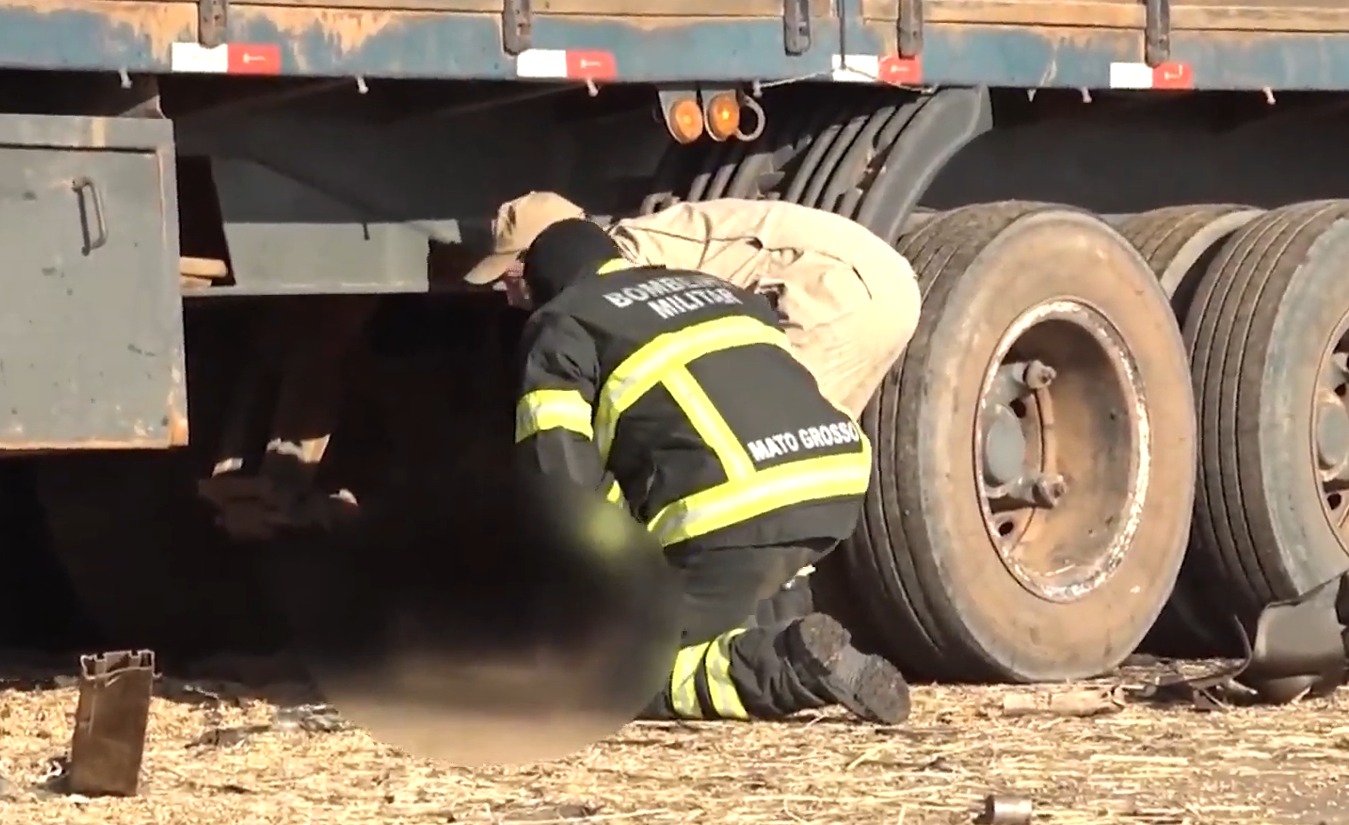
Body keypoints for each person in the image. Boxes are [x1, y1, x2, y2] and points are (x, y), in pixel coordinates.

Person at [510, 217, 911, 723]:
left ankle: (787, 667)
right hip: (830, 485)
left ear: (544, 283)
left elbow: (559, 474)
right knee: (730, 594)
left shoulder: (565, 322)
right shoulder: (718, 289)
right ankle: (782, 626)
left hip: (731, 509)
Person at [463, 191, 921, 420]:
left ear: (541, 252)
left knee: (772, 446)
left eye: (510, 275)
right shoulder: (627, 250)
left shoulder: (625, 267)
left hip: (836, 291)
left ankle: (769, 591)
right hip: (868, 280)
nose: (508, 294)